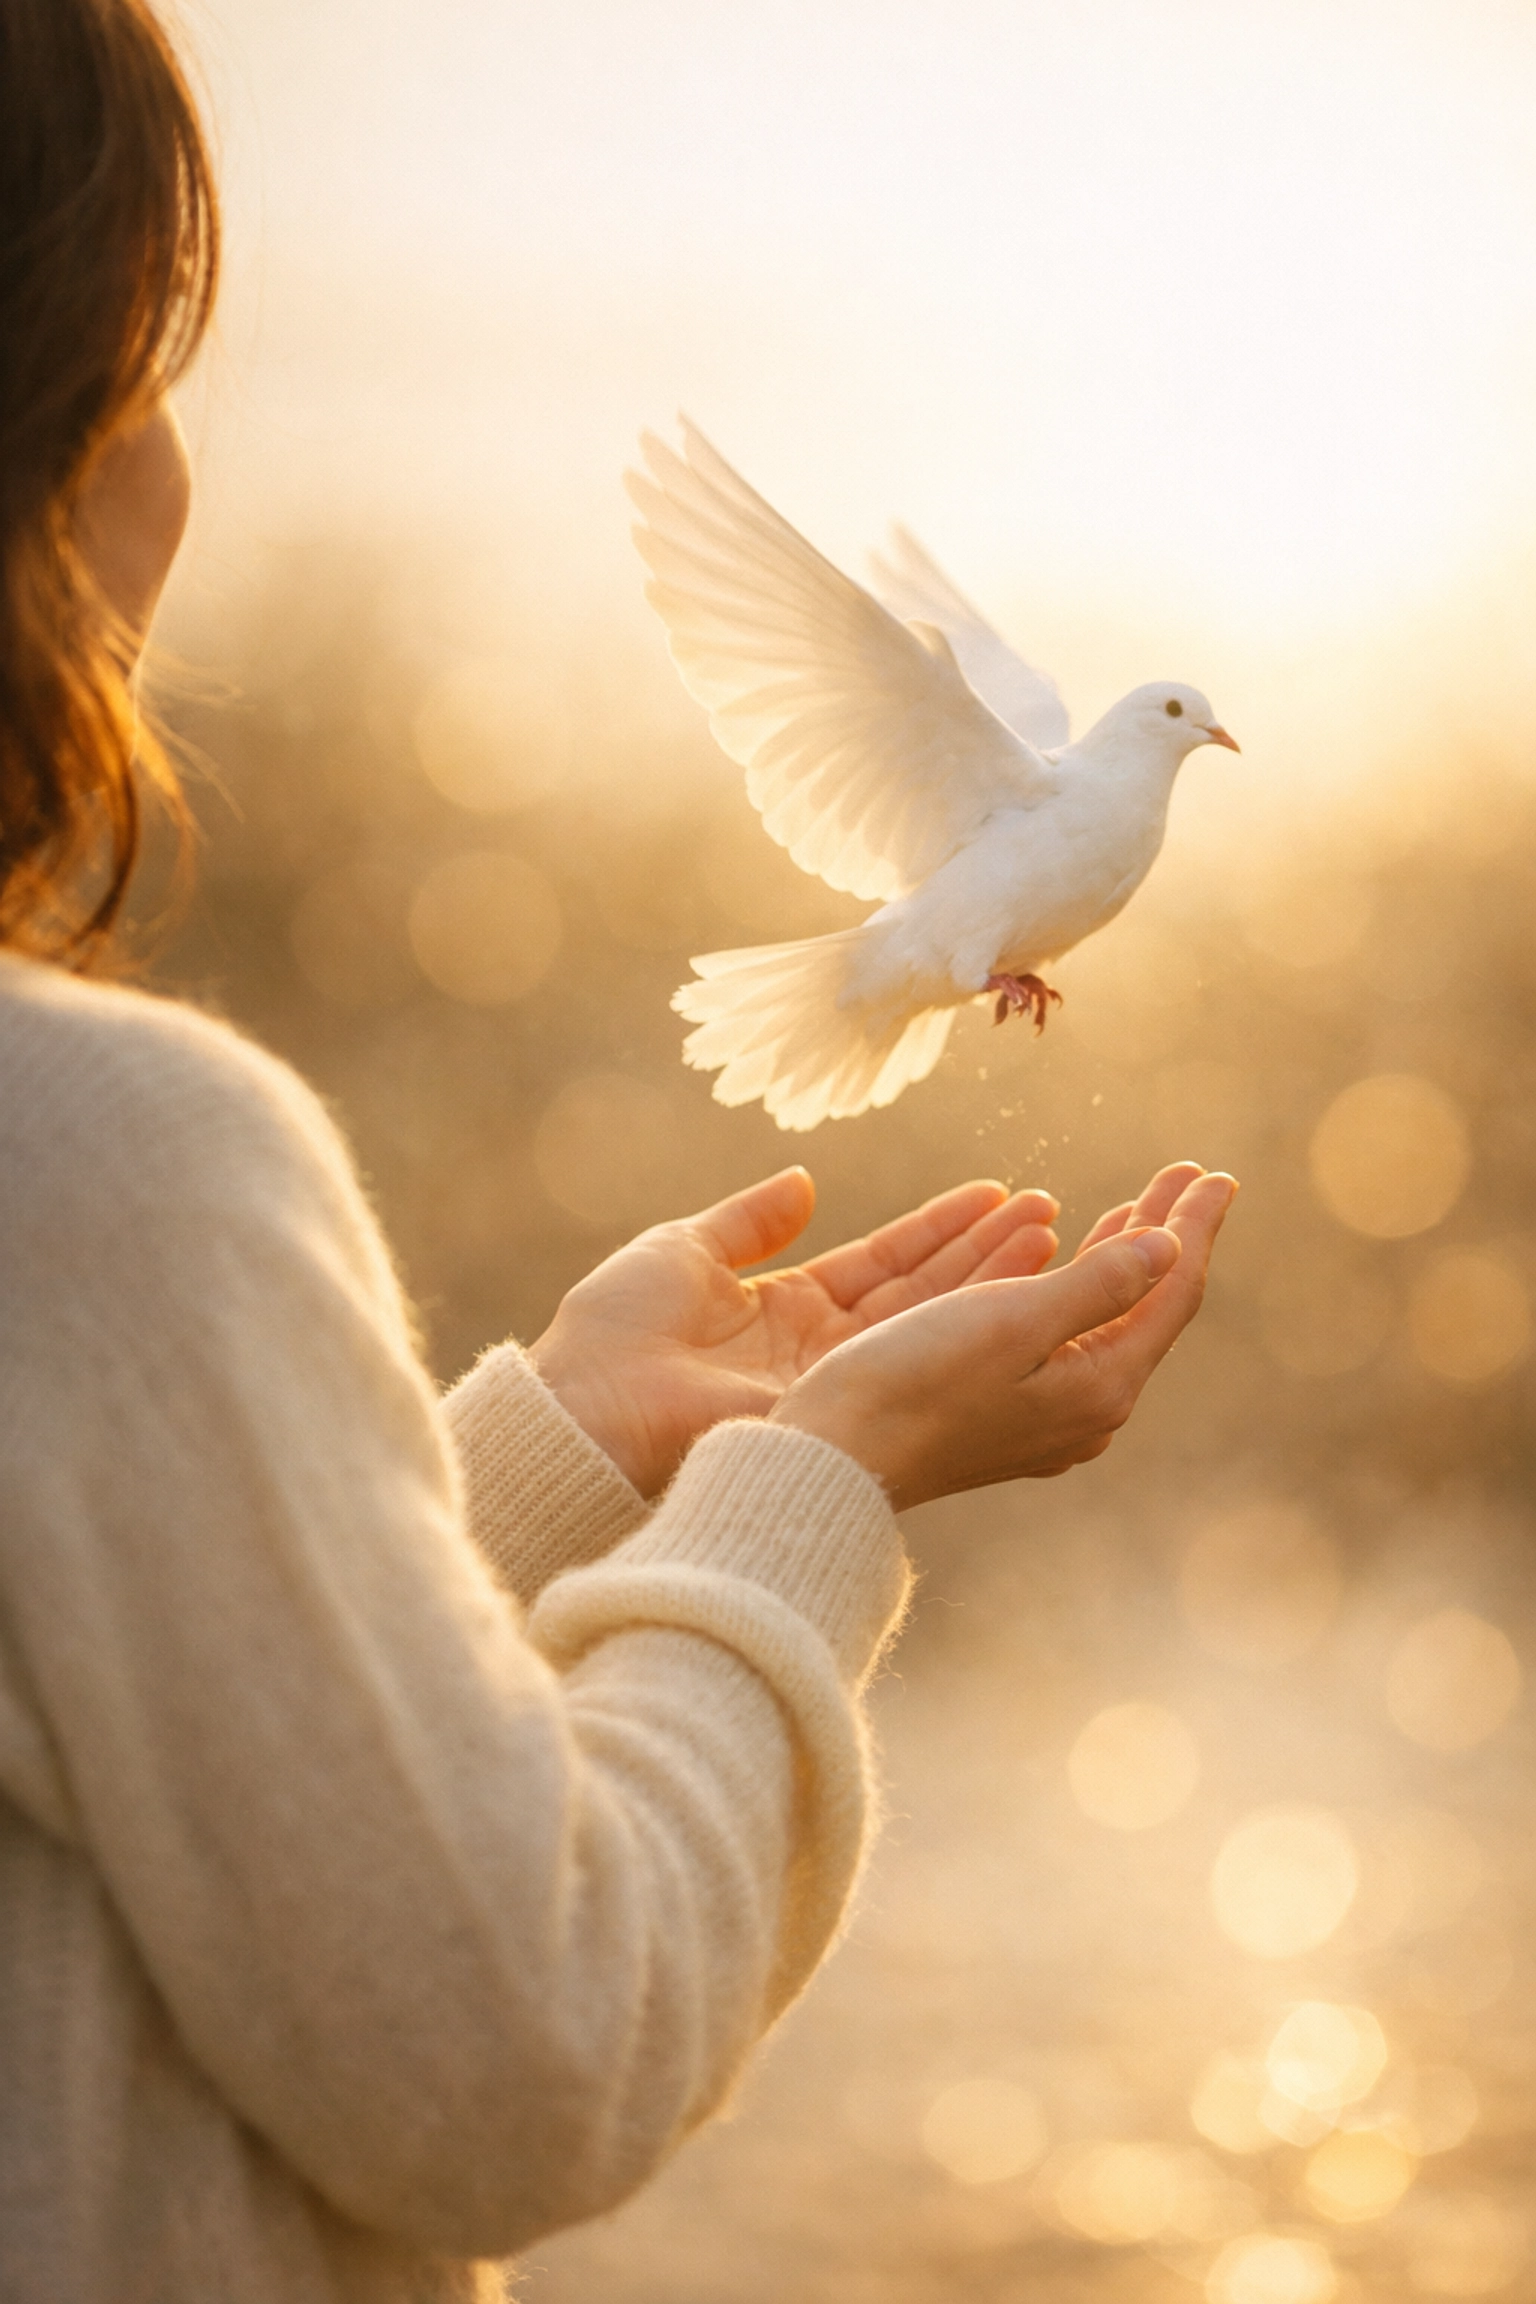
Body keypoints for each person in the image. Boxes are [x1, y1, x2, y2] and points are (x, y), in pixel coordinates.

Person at [0, 3, 1237, 2299]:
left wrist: (544, 1446)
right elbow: (508, 2056)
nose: (189, 460)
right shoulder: (104, 1163)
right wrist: (815, 1489)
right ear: (40, 442)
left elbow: (135, 1697)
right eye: (149, 369)